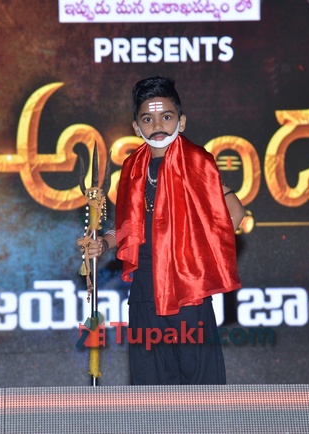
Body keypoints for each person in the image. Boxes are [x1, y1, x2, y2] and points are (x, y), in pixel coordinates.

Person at [87, 76, 245, 385]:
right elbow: (128, 228)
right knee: (151, 389)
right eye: (148, 119)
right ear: (137, 127)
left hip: (188, 292)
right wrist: (103, 244)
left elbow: (235, 214)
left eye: (167, 116)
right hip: (145, 293)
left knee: (200, 390)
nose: (157, 125)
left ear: (181, 122)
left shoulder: (198, 162)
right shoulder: (132, 167)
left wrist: (198, 253)